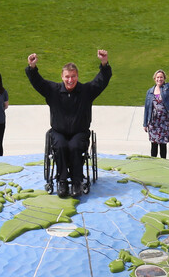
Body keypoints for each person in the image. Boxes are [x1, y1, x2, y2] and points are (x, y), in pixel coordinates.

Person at [26, 50, 111, 198]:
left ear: (77, 76)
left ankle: (77, 181)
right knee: (60, 145)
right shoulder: (53, 90)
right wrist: (32, 67)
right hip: (59, 132)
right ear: (62, 77)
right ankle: (62, 181)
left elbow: (101, 81)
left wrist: (104, 63)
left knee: (75, 146)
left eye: (73, 76)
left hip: (80, 132)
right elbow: (38, 82)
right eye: (67, 77)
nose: (70, 80)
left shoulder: (86, 91)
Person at [142, 67, 169, 159]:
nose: (159, 79)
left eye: (161, 77)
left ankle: (163, 163)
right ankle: (153, 164)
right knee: (154, 144)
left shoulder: (167, 88)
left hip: (164, 122)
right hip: (153, 122)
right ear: (155, 79)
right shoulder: (150, 92)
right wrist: (145, 124)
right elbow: (147, 108)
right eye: (158, 77)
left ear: (164, 78)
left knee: (163, 145)